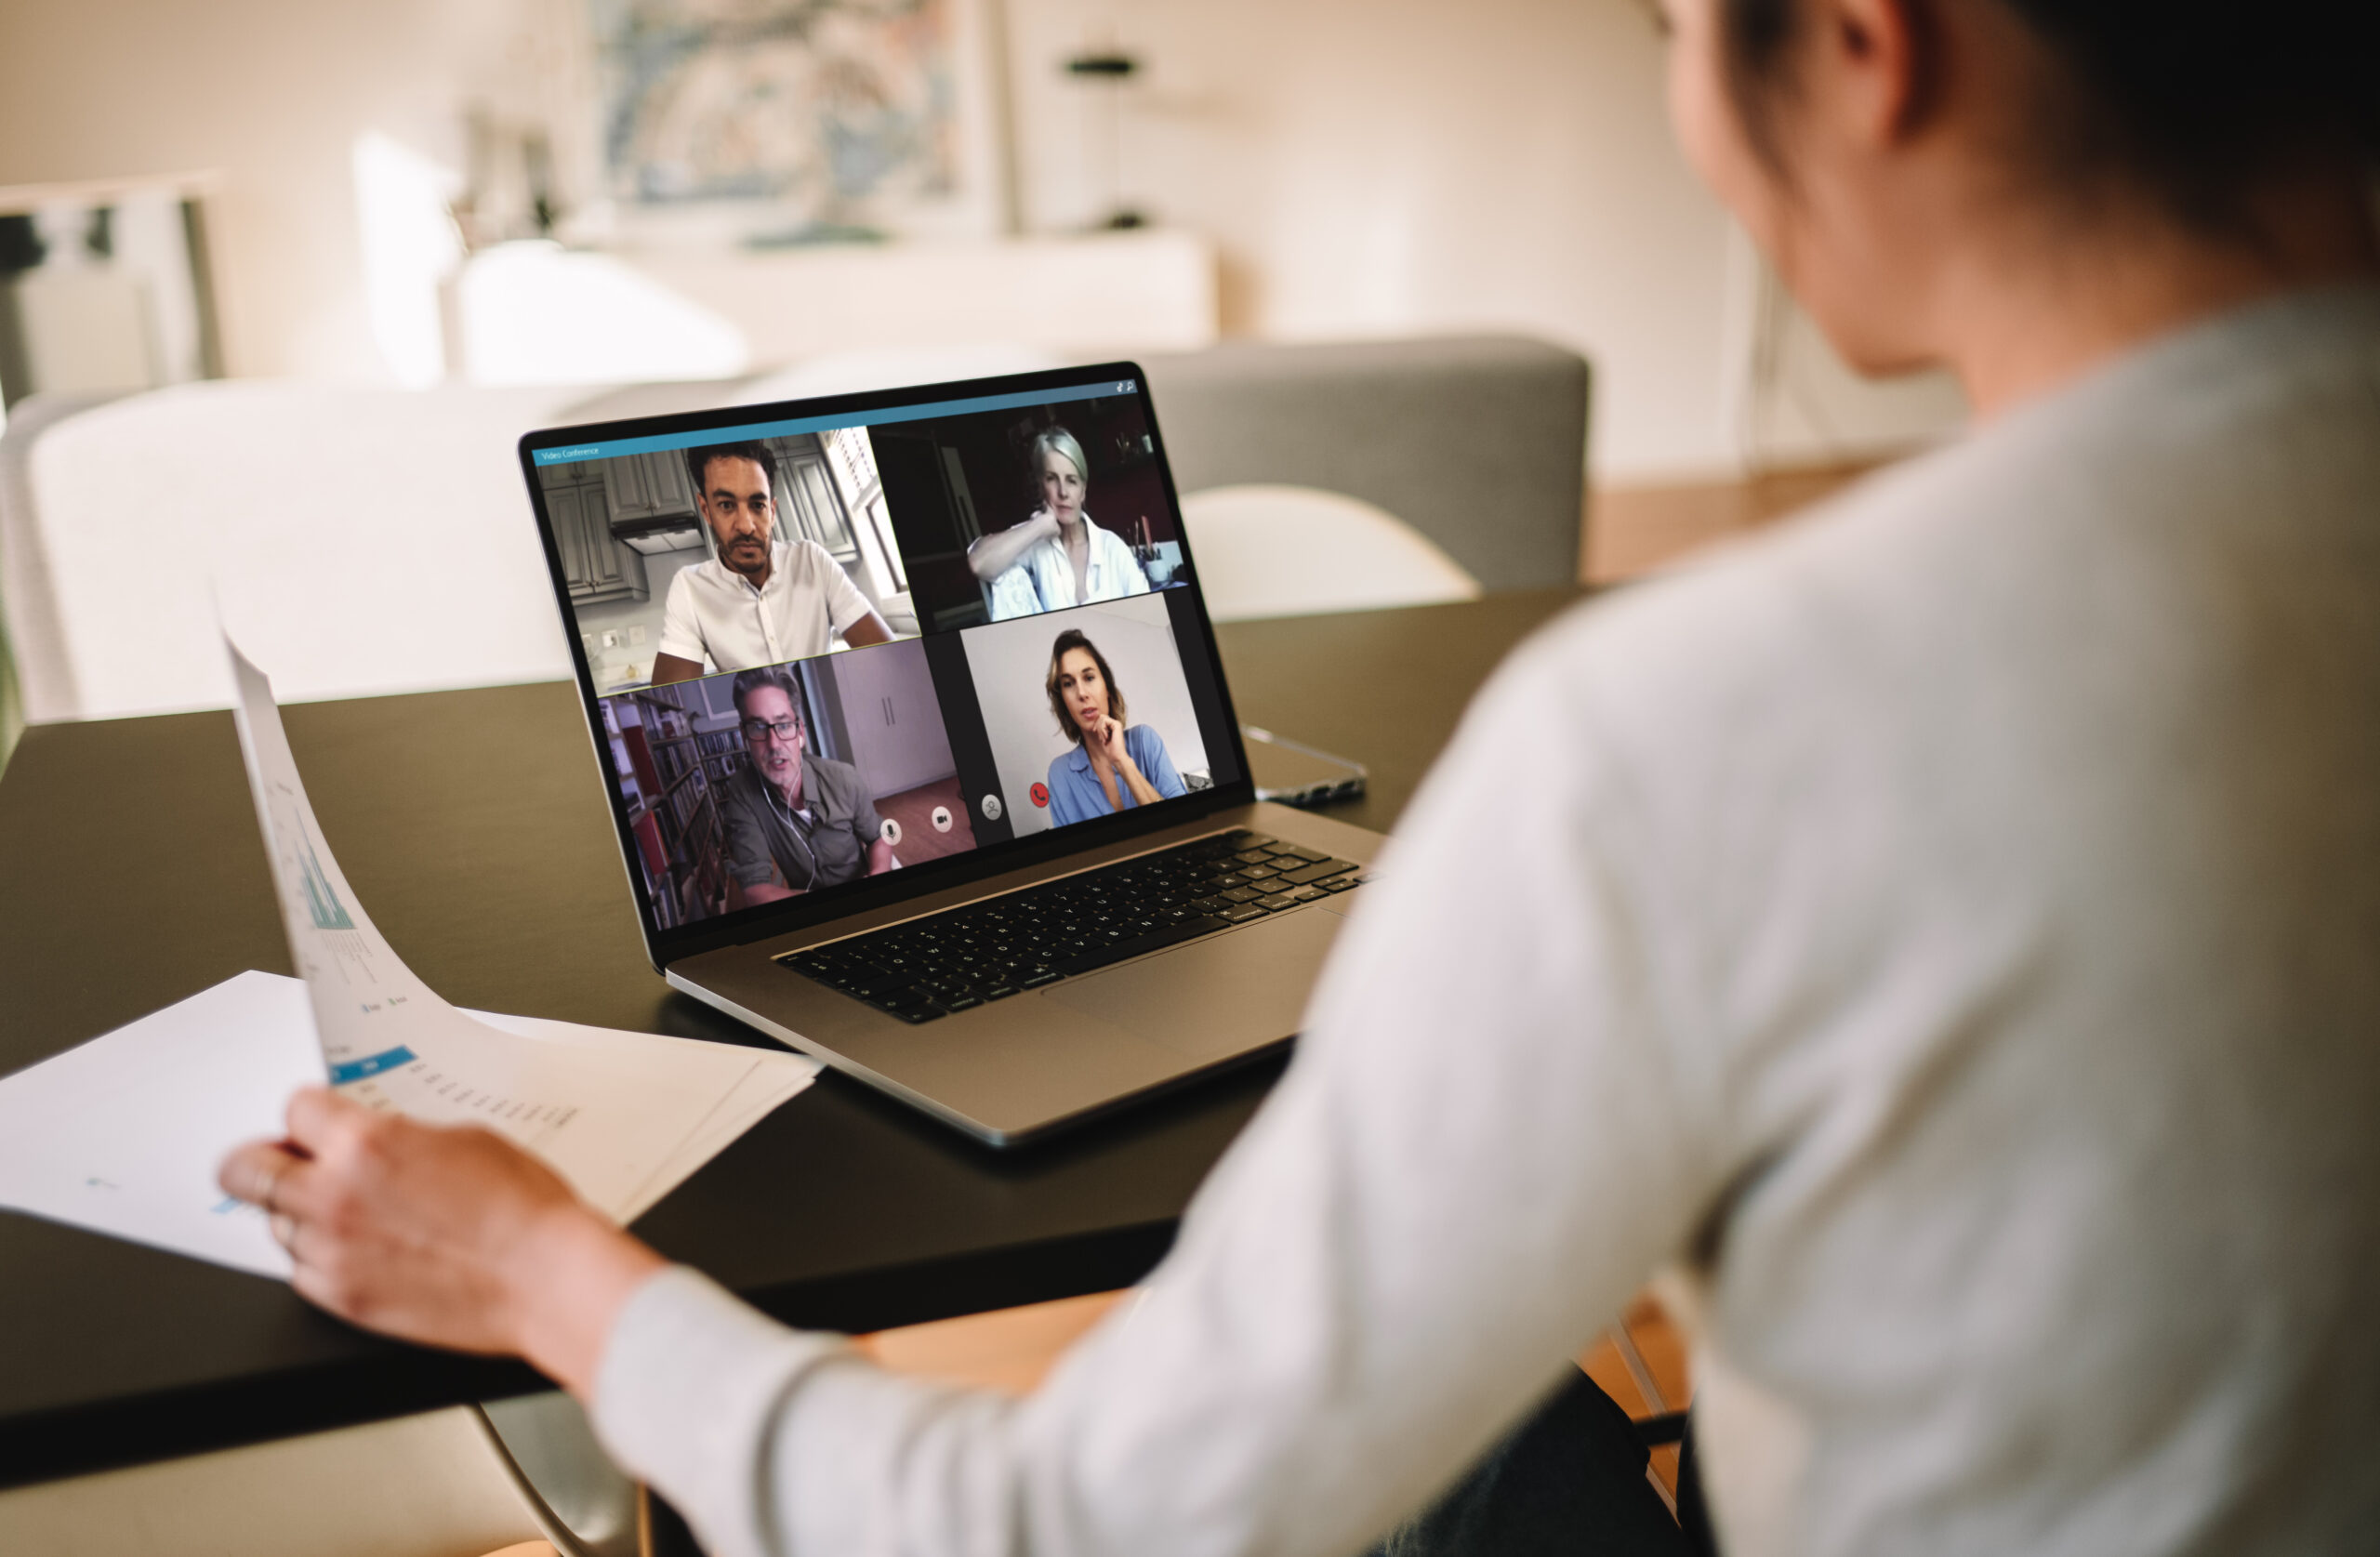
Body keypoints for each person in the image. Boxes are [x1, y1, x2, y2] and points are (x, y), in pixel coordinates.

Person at [222, 2, 2380, 1555]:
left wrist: (545, 1280)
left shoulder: (1692, 733)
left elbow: (1068, 1522)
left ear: (1859, 42)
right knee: (1463, 1385)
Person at [650, 442, 894, 684]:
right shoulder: (689, 588)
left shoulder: (813, 561)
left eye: (758, 505)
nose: (746, 526)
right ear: (706, 510)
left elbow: (890, 658)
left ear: (772, 511)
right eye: (726, 505)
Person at [714, 666, 894, 904]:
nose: (774, 743)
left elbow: (878, 837)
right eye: (758, 727)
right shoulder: (742, 792)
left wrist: (878, 875)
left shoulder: (844, 778)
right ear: (744, 736)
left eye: (784, 724)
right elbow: (755, 889)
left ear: (800, 732)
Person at [967, 427, 1153, 621]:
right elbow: (979, 563)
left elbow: (1148, 617)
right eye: (1051, 479)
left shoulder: (1112, 548)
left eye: (1071, 481)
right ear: (1040, 486)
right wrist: (1039, 526)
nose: (1063, 492)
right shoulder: (1035, 543)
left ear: (1083, 491)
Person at [1042, 627, 1188, 825]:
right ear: (1064, 702)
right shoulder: (1060, 774)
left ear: (1107, 688)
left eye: (1089, 678)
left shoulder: (1145, 740)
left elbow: (1184, 823)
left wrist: (1121, 761)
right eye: (1068, 684)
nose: (1082, 693)